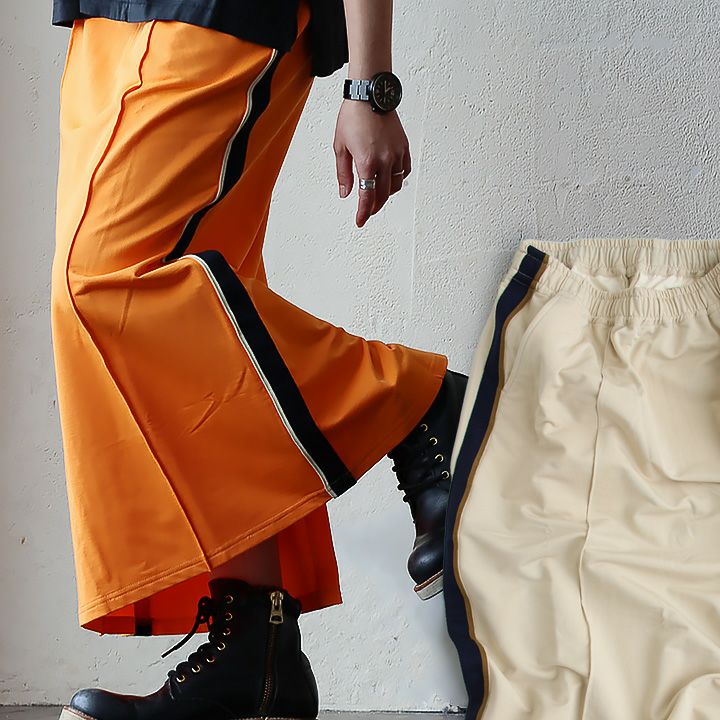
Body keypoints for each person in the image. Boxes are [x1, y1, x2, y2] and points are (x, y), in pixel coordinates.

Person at [49, 0, 469, 718]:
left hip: (218, 11)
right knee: (201, 300)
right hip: (105, 16)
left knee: (102, 281)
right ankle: (256, 646)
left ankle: (412, 404)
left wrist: (370, 85)